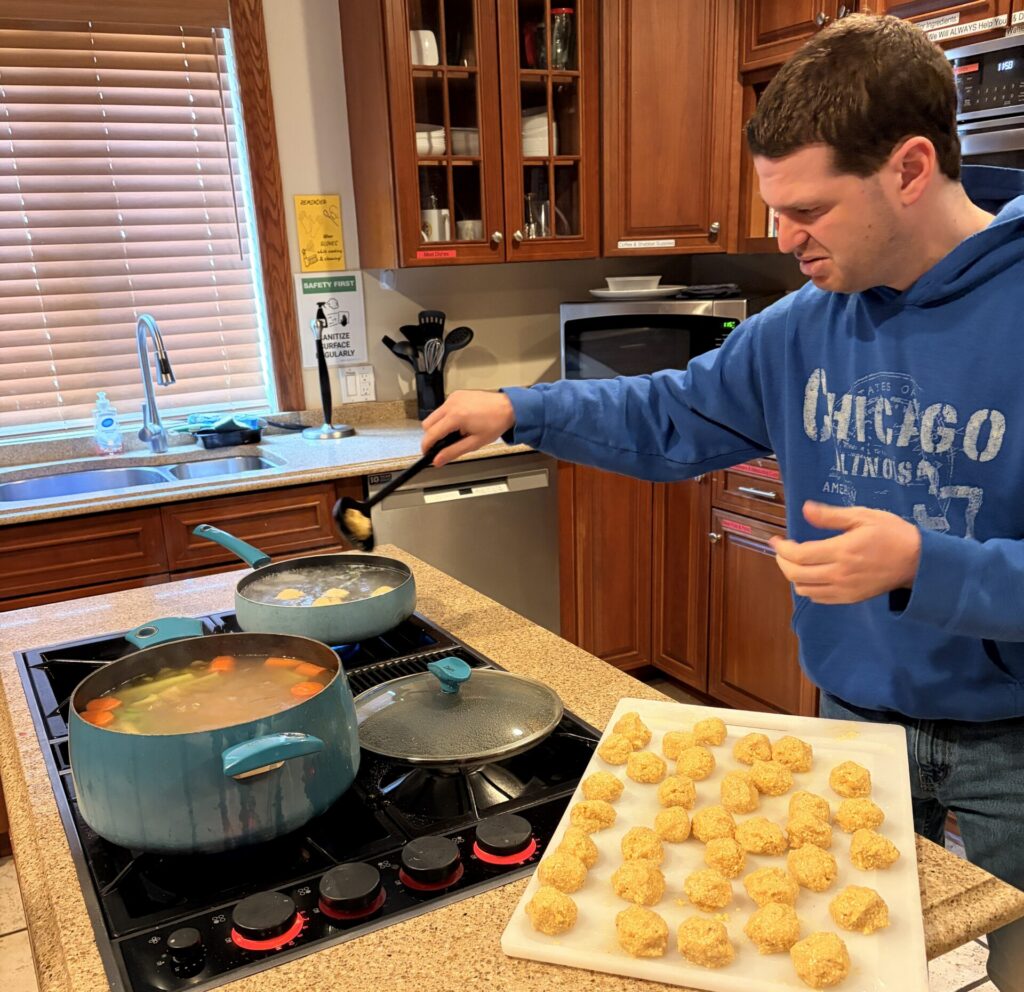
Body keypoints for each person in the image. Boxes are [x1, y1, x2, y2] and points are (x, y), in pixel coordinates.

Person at [420, 13, 1024, 988]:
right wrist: (517, 407)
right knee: (850, 960)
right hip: (850, 723)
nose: (782, 239)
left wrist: (925, 564)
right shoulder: (802, 326)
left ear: (911, 169)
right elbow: (670, 414)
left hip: (1010, 740)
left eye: (811, 210)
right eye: (772, 206)